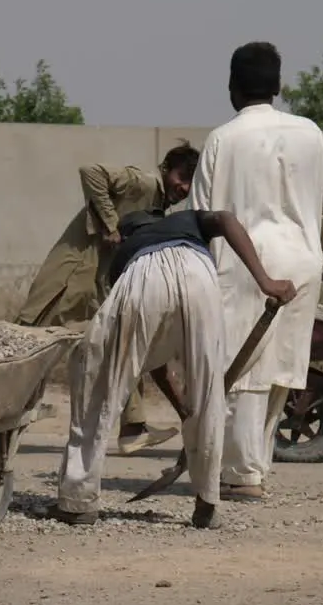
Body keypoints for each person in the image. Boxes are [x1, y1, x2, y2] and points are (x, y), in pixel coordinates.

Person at [48, 207, 297, 529]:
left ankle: (78, 501)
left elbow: (146, 353)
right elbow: (225, 219)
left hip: (142, 278)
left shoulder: (126, 254)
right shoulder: (188, 220)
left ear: (127, 234)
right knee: (208, 393)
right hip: (200, 275)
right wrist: (265, 282)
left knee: (98, 384)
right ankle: (207, 501)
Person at [189, 42, 323, 502]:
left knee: (240, 369)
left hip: (242, 262)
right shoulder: (310, 133)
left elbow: (202, 213)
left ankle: (242, 474)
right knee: (279, 367)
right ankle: (252, 467)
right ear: (278, 86)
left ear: (232, 88)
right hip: (300, 263)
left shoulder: (223, 138)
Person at [15, 143, 201, 454]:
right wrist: (111, 224)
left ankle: (132, 426)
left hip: (94, 284)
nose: (183, 189)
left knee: (120, 342)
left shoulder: (156, 205)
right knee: (27, 340)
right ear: (166, 169)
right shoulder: (143, 182)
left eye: (188, 185)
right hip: (70, 276)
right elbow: (92, 172)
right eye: (181, 178)